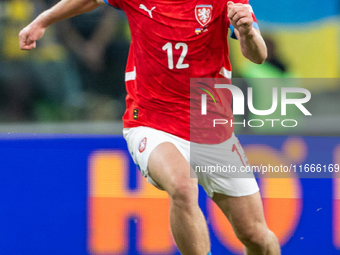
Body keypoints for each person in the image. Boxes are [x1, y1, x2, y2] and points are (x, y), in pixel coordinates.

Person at [19, 0, 281, 254]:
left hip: (209, 123)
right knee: (182, 186)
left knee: (255, 235)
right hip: (151, 120)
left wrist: (246, 31)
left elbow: (258, 55)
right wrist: (42, 21)